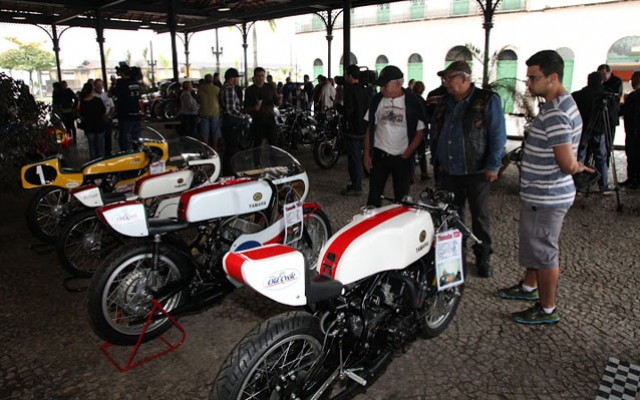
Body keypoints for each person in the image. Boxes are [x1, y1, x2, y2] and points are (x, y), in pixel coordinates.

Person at [498, 50, 594, 324]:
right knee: (535, 245)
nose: (528, 83)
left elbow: (566, 162)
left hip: (548, 196)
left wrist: (579, 168)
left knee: (544, 251)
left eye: (533, 78)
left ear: (553, 78)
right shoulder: (560, 104)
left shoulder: (556, 113)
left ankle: (547, 309)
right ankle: (529, 288)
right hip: (541, 194)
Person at [430, 61, 506, 278]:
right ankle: (455, 258)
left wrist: (493, 165)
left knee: (480, 216)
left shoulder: (487, 100)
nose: (446, 83)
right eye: (444, 79)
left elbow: (497, 134)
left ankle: (483, 257)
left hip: (477, 171)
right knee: (451, 216)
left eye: (449, 78)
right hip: (448, 171)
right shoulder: (445, 102)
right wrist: (436, 161)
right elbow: (436, 131)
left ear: (464, 78)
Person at [363, 65, 427, 207]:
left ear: (399, 83)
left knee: (402, 199)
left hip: (401, 158)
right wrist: (366, 154)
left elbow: (420, 131)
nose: (382, 89)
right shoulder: (377, 100)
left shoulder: (413, 102)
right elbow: (370, 128)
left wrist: (407, 153)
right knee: (373, 197)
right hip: (379, 156)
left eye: (385, 86)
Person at [571, 72, 616, 193]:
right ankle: (603, 186)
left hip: (582, 130)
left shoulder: (579, 95)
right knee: (601, 157)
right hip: (599, 130)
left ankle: (577, 185)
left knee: (580, 157)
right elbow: (612, 117)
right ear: (601, 81)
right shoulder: (605, 97)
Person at [340, 65, 372, 197]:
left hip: (353, 130)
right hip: (363, 129)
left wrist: (337, 105)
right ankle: (356, 183)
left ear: (350, 76)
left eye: (346, 74)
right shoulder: (365, 90)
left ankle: (356, 186)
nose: (345, 77)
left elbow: (348, 111)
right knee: (359, 157)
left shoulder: (349, 90)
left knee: (354, 160)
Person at [219, 68, 248, 175]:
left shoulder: (224, 88)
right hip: (231, 124)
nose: (237, 80)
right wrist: (243, 116)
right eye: (236, 78)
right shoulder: (229, 89)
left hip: (226, 123)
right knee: (231, 149)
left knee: (229, 149)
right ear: (232, 78)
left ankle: (228, 171)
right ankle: (229, 172)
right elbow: (231, 109)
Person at [244, 67, 280, 147]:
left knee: (273, 143)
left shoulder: (270, 87)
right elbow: (246, 108)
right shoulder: (250, 90)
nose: (260, 78)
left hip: (270, 118)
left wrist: (279, 100)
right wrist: (254, 108)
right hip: (257, 120)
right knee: (257, 145)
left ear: (265, 77)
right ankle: (257, 159)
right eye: (258, 76)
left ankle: (273, 159)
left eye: (262, 76)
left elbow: (276, 103)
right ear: (254, 77)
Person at [111, 63, 142, 151]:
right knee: (136, 138)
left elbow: (110, 94)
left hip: (125, 115)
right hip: (136, 114)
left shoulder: (121, 83)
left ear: (122, 73)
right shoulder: (136, 83)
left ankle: (127, 158)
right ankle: (138, 155)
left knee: (125, 139)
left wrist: (113, 83)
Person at [620, 70, 640, 188]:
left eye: (635, 79)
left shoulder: (633, 96)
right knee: (631, 155)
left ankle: (635, 179)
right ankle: (632, 178)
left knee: (635, 155)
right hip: (631, 131)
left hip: (635, 131)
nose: (632, 81)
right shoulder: (631, 96)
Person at [78, 82, 106, 160]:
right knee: (100, 146)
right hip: (99, 125)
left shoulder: (83, 102)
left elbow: (82, 114)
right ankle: (101, 162)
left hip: (89, 126)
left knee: (92, 146)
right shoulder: (97, 100)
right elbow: (103, 111)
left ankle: (93, 161)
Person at [197, 74, 221, 149]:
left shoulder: (200, 89)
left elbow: (198, 100)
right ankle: (215, 147)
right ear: (212, 80)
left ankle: (205, 148)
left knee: (204, 131)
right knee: (215, 130)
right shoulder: (217, 89)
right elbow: (220, 100)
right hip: (215, 112)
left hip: (204, 112)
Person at [411, 81, 429, 182]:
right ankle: (424, 172)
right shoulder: (422, 101)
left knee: (411, 153)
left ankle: (411, 174)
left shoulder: (409, 99)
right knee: (421, 152)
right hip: (420, 130)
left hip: (411, 130)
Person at [93, 79, 115, 155]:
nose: (99, 87)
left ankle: (108, 152)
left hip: (107, 119)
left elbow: (112, 107)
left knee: (108, 137)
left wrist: (108, 116)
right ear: (94, 86)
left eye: (101, 85)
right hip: (98, 120)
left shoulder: (107, 95)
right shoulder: (93, 96)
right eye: (97, 85)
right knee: (98, 139)